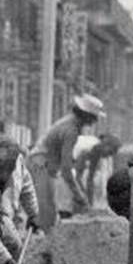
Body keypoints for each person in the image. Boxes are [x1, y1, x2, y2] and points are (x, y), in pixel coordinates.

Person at [28, 94, 105, 231]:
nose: (94, 121)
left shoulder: (69, 123)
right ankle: (41, 247)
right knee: (47, 215)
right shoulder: (70, 131)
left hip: (42, 164)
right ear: (87, 116)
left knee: (45, 211)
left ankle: (35, 232)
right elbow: (66, 170)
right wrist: (79, 195)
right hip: (40, 164)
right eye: (94, 118)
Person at [76, 133, 121, 208]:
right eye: (109, 152)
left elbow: (90, 178)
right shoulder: (94, 147)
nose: (107, 156)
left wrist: (90, 202)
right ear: (106, 145)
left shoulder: (97, 150)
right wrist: (85, 197)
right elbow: (78, 177)